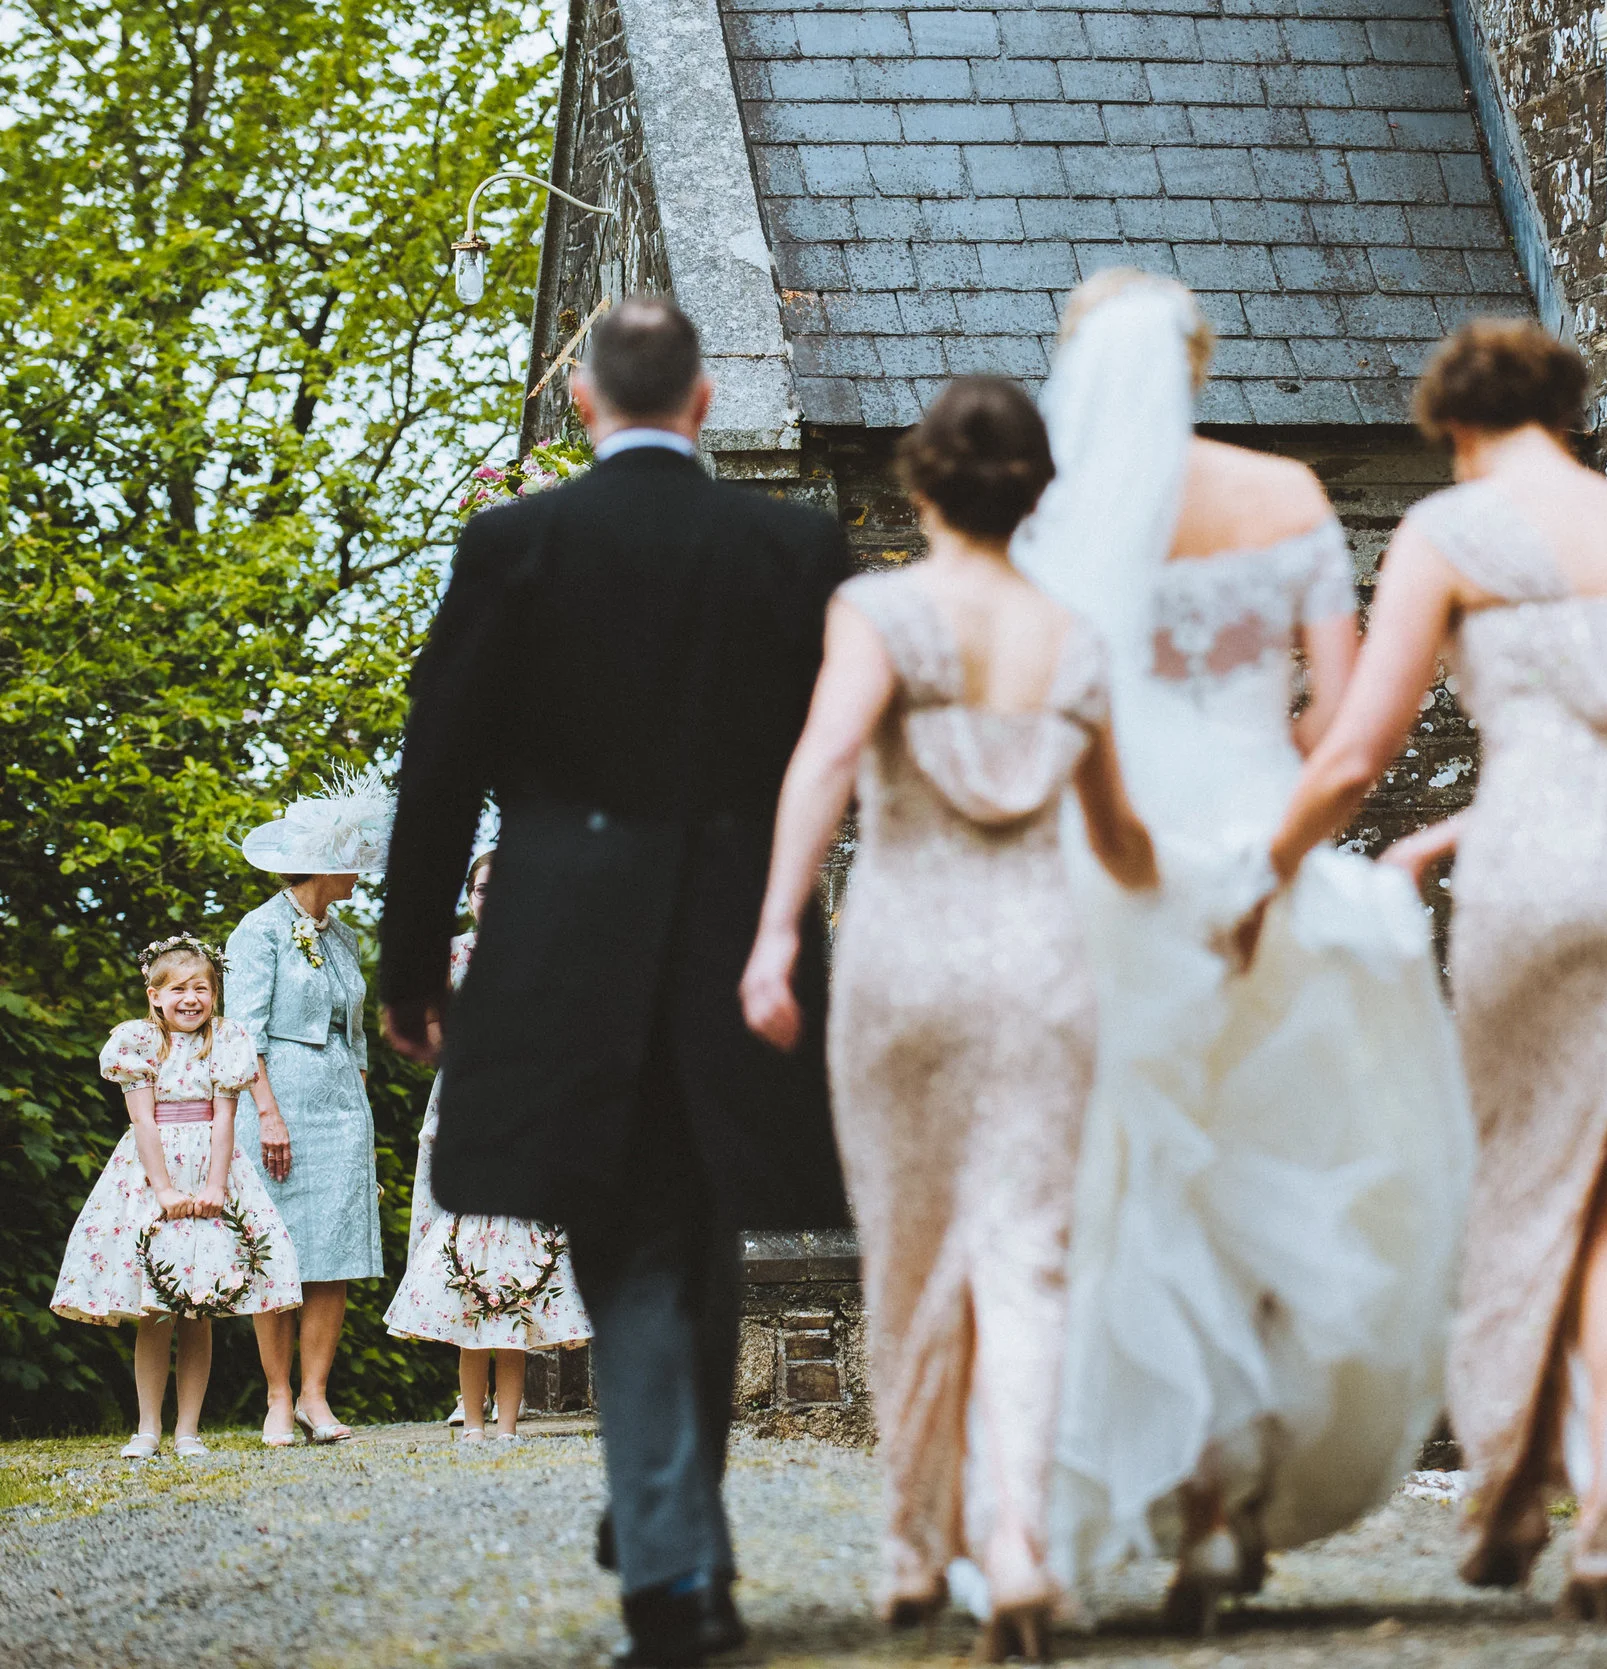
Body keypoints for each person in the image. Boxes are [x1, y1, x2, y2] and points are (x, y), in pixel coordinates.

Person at [380, 297, 850, 1668]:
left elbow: (440, 766)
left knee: (644, 1242)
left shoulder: (516, 540)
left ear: (585, 403)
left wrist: (412, 970)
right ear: (702, 403)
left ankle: (667, 1569)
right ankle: (674, 1525)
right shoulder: (789, 543)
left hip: (566, 942)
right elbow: (841, 750)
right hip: (739, 931)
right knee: (688, 1234)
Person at [1265, 318, 1607, 1619]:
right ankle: (1600, 1500)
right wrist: (1463, 821)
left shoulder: (1450, 534)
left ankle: (1519, 1483)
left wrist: (1266, 870)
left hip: (1544, 886)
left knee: (1531, 1187)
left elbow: (1357, 748)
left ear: (1457, 427)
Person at [1016, 272, 1473, 1625]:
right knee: (1274, 1173)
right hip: (1253, 862)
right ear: (1201, 364)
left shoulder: (1055, 520)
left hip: (1108, 872)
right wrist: (1272, 858)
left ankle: (1165, 1492)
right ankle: (1225, 1495)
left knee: (1129, 1183)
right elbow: (1345, 730)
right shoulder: (1285, 497)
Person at [741, 376, 1156, 1664]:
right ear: (1036, 493)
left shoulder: (881, 610)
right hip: (1039, 968)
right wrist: (1190, 898)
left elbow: (818, 763)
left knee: (909, 1256)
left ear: (920, 485)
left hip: (905, 963)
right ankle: (1017, 1541)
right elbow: (1120, 836)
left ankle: (912, 1548)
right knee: (1026, 1254)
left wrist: (771, 935)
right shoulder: (1075, 641)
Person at [52, 937, 302, 1458]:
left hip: (214, 1169)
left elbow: (226, 1119)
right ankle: (147, 1427)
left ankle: (188, 1429)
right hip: (153, 1173)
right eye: (179, 990)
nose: (192, 999)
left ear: (216, 994)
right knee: (157, 1308)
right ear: (154, 996)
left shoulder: (227, 1040)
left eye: (202, 989)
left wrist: (215, 1187)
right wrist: (163, 1189)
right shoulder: (138, 1043)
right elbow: (142, 1119)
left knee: (199, 1307)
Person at [384, 849, 592, 1439]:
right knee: (459, 1234)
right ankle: (467, 1392)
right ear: (469, 896)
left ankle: (507, 1401)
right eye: (481, 889)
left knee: (523, 1240)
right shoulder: (450, 955)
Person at [226, 768, 394, 1446]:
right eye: (354, 865)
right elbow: (243, 1032)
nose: (362, 875)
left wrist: (359, 1112)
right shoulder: (259, 930)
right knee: (279, 1251)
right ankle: (276, 1397)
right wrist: (267, 1113)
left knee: (336, 1251)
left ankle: (316, 1399)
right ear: (326, 866)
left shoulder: (346, 937)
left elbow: (356, 1038)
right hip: (280, 1098)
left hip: (342, 1106)